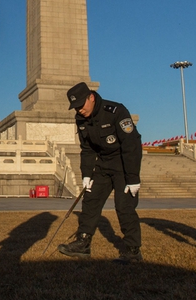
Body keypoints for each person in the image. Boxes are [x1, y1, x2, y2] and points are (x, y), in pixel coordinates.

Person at [58, 82, 144, 263]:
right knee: (90, 201)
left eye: (81, 105)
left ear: (91, 97)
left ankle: (132, 251)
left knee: (124, 207)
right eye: (75, 107)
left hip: (123, 164)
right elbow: (87, 148)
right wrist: (87, 175)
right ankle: (83, 243)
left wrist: (133, 178)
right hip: (103, 164)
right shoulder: (81, 118)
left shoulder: (116, 111)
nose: (79, 110)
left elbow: (131, 144)